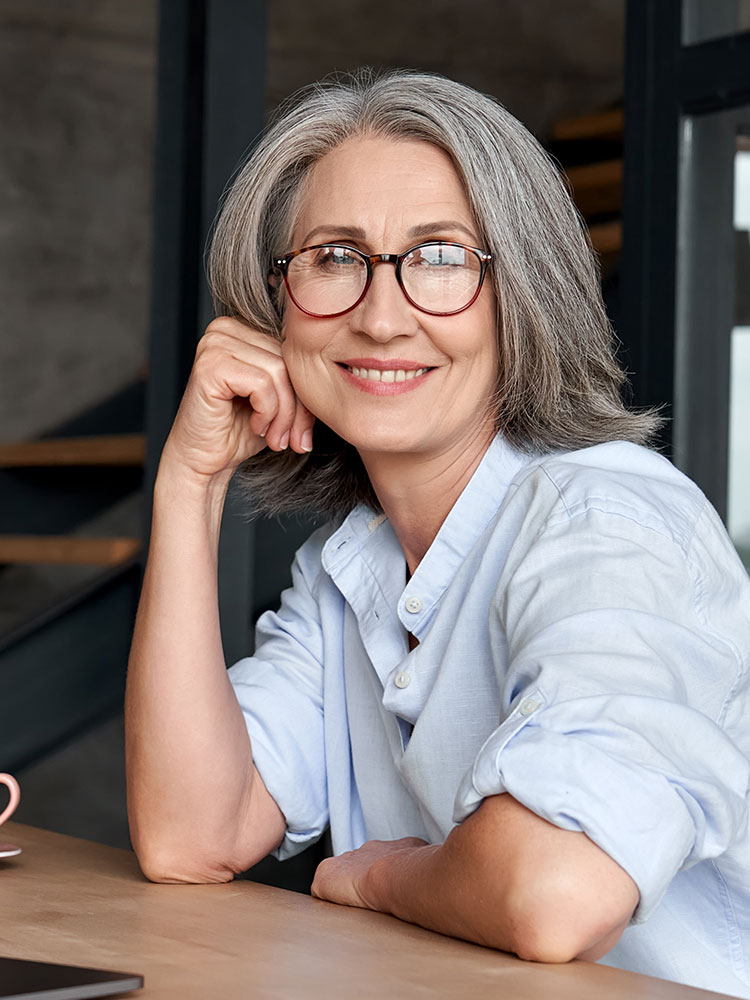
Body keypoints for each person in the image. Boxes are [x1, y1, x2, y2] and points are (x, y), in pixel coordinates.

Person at [125, 69, 750, 996]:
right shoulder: (349, 566)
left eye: (442, 257)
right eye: (336, 257)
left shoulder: (608, 522)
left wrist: (378, 876)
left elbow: (554, 890)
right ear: (278, 305)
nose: (381, 317)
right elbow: (192, 834)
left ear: (522, 295)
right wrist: (189, 483)